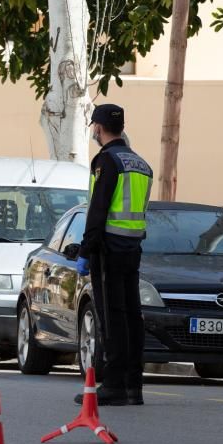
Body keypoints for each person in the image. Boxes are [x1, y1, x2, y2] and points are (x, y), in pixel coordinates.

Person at [75, 104, 152, 406]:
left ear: (99, 127)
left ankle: (114, 385)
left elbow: (98, 210)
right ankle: (134, 385)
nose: (93, 131)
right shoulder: (141, 164)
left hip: (107, 250)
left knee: (112, 318)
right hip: (132, 249)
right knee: (132, 317)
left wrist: (85, 250)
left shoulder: (106, 161)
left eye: (94, 126)